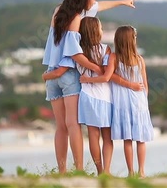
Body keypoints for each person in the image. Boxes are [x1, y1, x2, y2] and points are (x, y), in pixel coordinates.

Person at [42, 0, 139, 173]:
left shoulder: (59, 11)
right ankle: (78, 170)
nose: (95, 1)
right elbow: (74, 53)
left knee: (61, 127)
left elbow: (99, 6)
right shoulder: (77, 19)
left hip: (52, 74)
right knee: (73, 125)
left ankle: (62, 172)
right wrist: (97, 68)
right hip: (68, 73)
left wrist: (122, 1)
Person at [43, 17, 126, 175]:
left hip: (87, 97)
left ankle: (98, 169)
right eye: (101, 28)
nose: (102, 30)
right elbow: (106, 72)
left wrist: (46, 76)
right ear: (96, 31)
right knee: (107, 138)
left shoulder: (77, 51)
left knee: (93, 137)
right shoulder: (105, 49)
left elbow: (61, 70)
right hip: (105, 97)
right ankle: (106, 171)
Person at [81, 25, 154, 178]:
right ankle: (142, 171)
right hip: (140, 102)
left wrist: (88, 79)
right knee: (141, 139)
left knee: (128, 139)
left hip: (123, 104)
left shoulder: (114, 57)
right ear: (131, 40)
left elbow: (109, 76)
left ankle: (131, 172)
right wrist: (144, 100)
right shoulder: (140, 59)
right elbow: (145, 83)